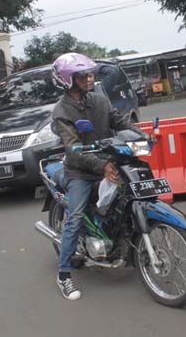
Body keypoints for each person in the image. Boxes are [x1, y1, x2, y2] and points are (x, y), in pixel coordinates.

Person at [51, 53, 146, 300]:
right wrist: (101, 165)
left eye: (90, 74)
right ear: (67, 80)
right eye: (82, 75)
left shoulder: (98, 99)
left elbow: (118, 119)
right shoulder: (61, 111)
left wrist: (140, 135)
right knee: (75, 217)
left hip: (107, 161)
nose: (89, 78)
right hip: (80, 171)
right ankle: (64, 275)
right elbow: (72, 148)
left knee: (131, 194)